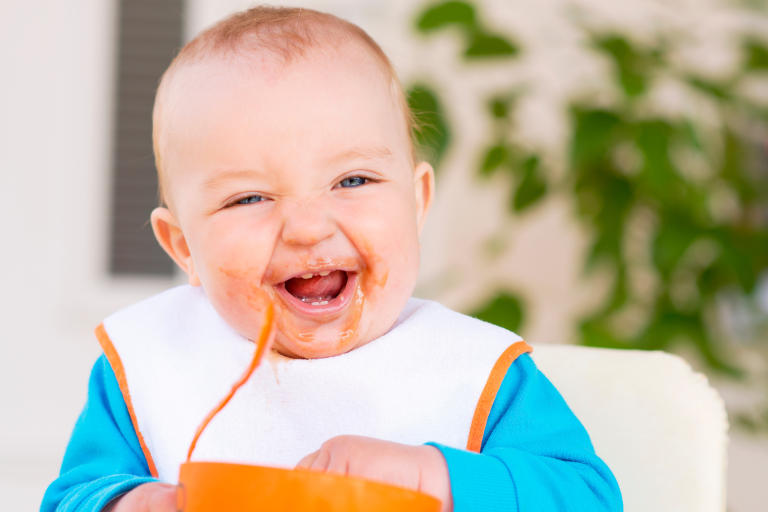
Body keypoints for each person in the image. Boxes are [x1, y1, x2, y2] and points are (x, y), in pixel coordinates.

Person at [42, 6, 622, 512]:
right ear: (184, 247)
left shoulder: (475, 372)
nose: (308, 227)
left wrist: (434, 478)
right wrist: (130, 504)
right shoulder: (151, 365)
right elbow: (70, 498)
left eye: (352, 179)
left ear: (417, 203)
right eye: (250, 197)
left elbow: (591, 500)